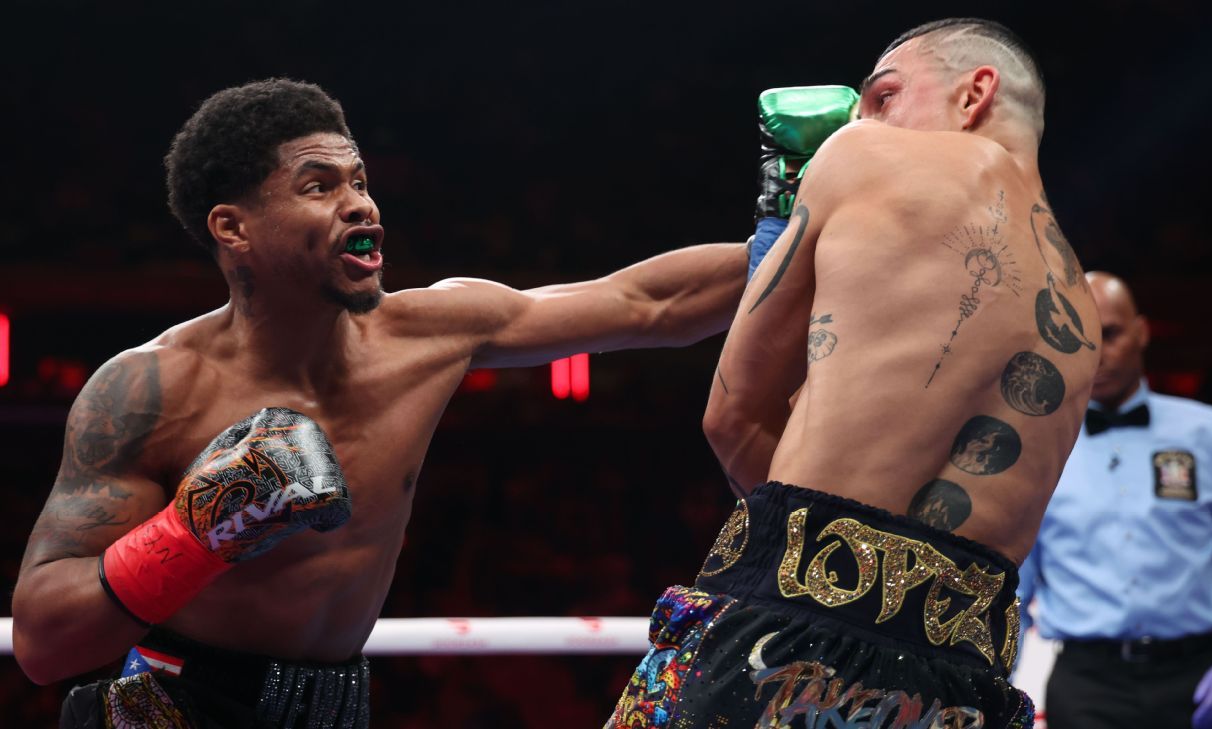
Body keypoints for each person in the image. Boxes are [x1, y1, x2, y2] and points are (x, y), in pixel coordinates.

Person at [11, 78, 748, 728]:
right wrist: (195, 529)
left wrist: (797, 229)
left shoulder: (432, 333)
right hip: (175, 706)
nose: (359, 203)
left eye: (359, 181)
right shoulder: (150, 391)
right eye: (318, 186)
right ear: (233, 228)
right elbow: (45, 643)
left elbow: (646, 303)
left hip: (339, 704)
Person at [608, 17, 1099, 729]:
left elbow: (732, 416)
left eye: (884, 95)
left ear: (975, 93)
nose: (861, 116)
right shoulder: (1082, 309)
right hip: (964, 683)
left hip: (785, 637)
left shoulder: (864, 154)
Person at [1016, 271, 1212, 729]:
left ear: (1141, 331)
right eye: (1079, 337)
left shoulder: (1208, 433)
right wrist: (999, 686)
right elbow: (1014, 589)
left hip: (1198, 675)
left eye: (1110, 334)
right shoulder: (1042, 447)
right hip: (1086, 687)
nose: (1096, 352)